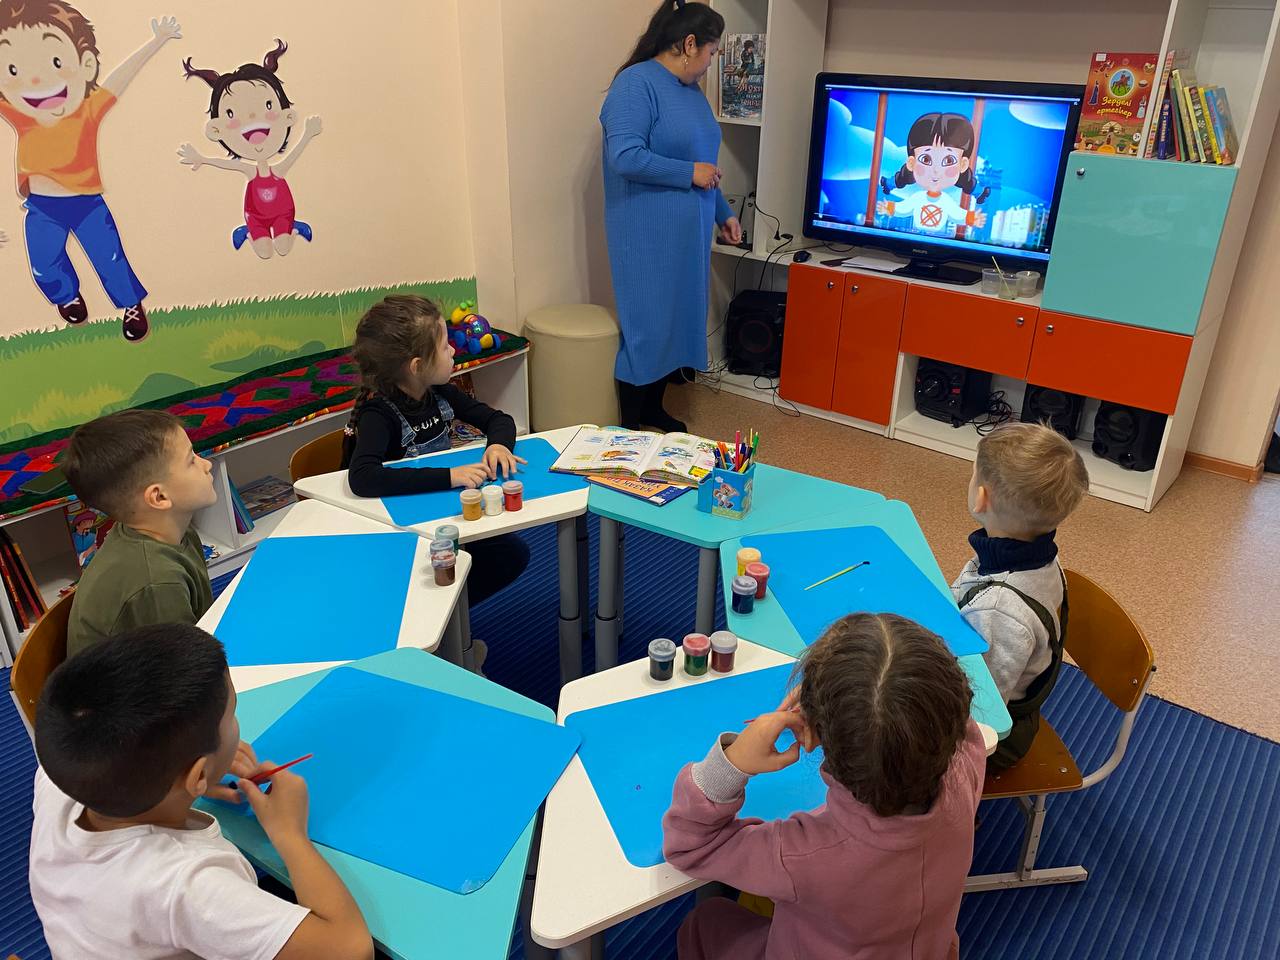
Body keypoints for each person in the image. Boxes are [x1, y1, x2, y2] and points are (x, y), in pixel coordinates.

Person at [29, 623, 373, 959]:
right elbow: (351, 950)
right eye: (232, 714)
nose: (236, 724)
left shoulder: (62, 774)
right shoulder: (185, 886)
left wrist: (189, 779)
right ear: (197, 774)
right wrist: (289, 834)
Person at [663, 613, 985, 959]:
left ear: (815, 735)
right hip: (930, 950)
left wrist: (733, 762)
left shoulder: (801, 855)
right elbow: (948, 717)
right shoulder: (965, 771)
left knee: (706, 920)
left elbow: (690, 848)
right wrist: (838, 703)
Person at [341, 295, 531, 616]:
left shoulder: (440, 392)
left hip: (440, 515)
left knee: (510, 555)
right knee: (441, 579)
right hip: (400, 530)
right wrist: (450, 476)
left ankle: (449, 623)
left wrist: (498, 445)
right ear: (417, 366)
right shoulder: (378, 414)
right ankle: (438, 623)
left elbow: (498, 420)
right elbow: (363, 477)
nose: (453, 350)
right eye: (444, 347)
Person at [0, 4, 180, 341]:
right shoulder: (21, 115)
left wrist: (156, 41)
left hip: (87, 205)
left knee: (110, 259)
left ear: (85, 65)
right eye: (13, 69)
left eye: (56, 63)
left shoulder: (87, 111)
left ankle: (131, 305)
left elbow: (118, 80)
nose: (37, 80)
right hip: (42, 207)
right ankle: (66, 296)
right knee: (43, 264)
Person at [601, 0, 742, 431]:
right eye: (712, 52)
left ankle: (653, 409)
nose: (711, 62)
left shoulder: (690, 91)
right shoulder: (634, 85)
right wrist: (688, 174)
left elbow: (704, 164)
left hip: (689, 234)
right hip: (646, 234)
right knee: (648, 326)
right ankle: (630, 424)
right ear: (689, 43)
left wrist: (723, 214)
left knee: (677, 322)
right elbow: (625, 156)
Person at [952, 421, 1090, 769]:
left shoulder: (999, 610)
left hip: (989, 740)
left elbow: (980, 714)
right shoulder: (1036, 555)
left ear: (981, 497)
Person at [63, 409, 217, 658]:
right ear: (159, 497)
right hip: (157, 677)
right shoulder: (156, 582)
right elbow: (183, 670)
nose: (206, 464)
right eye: (191, 460)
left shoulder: (174, 531)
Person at [178, 39, 322, 259]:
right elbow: (227, 164)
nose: (253, 117)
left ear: (287, 116)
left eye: (268, 105)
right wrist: (202, 159)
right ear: (217, 129)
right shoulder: (250, 171)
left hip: (283, 214)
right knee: (264, 251)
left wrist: (308, 134)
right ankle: (247, 233)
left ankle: (294, 229)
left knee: (283, 247)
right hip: (256, 217)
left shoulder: (278, 170)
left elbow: (295, 154)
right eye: (231, 113)